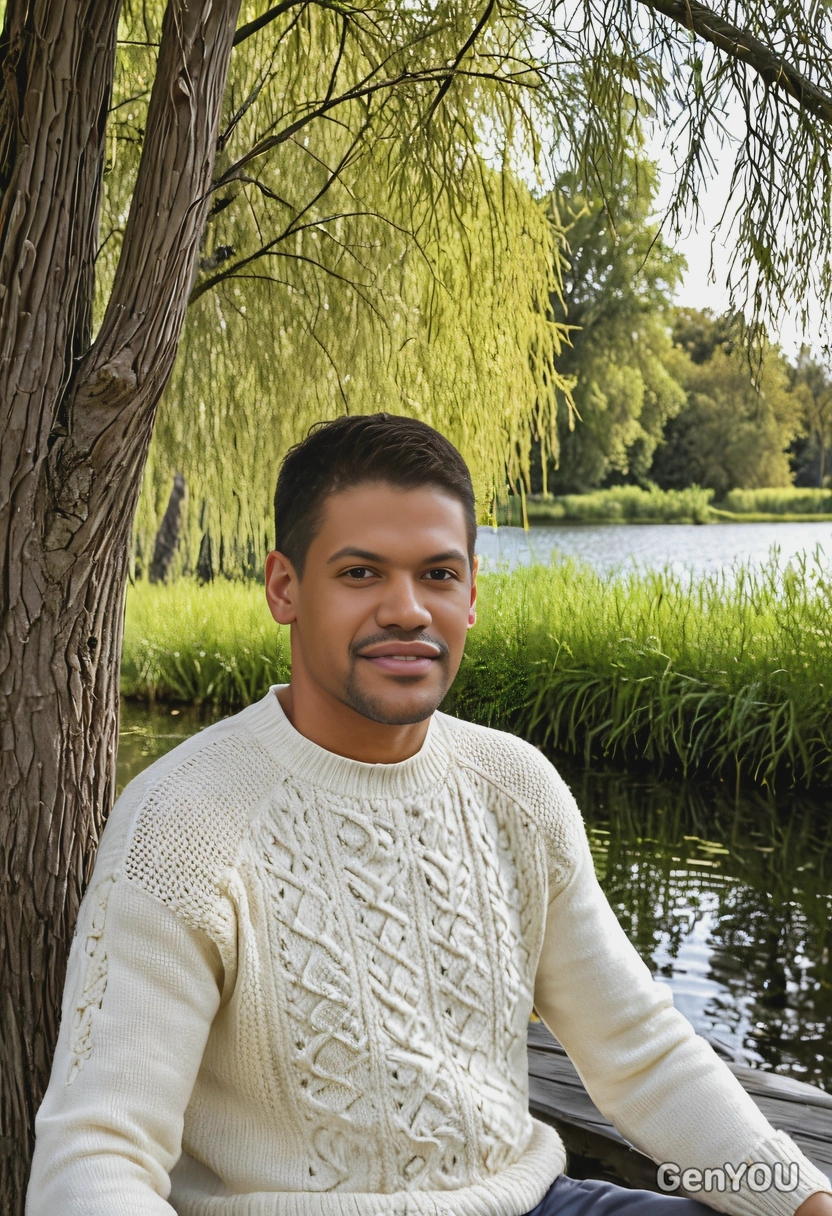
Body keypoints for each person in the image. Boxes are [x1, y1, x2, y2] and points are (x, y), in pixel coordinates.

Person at [27, 414, 832, 1216]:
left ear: (472, 594)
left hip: (532, 1203)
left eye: (438, 575)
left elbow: (641, 1052)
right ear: (283, 587)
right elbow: (97, 1156)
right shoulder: (183, 822)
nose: (408, 610)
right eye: (361, 574)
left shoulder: (517, 786)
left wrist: (800, 1200)